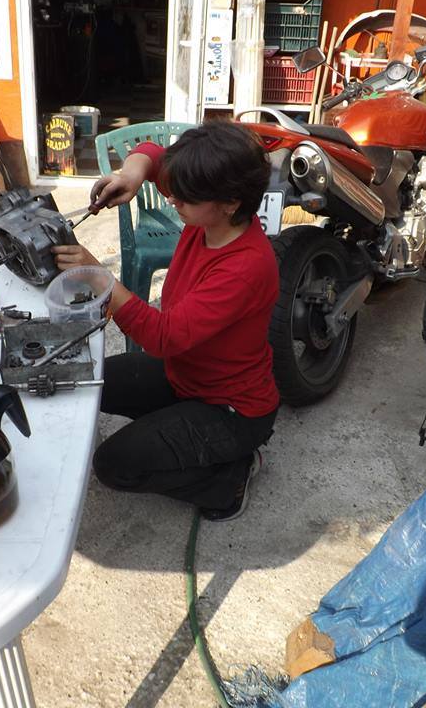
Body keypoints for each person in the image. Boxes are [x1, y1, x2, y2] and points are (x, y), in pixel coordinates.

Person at [52, 121, 279, 521]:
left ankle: (229, 480)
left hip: (231, 410)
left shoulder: (245, 267)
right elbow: (151, 154)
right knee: (91, 380)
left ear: (230, 203)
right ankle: (178, 434)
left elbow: (161, 337)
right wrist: (130, 176)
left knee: (113, 466)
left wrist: (100, 277)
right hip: (185, 375)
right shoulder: (208, 215)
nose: (172, 200)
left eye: (183, 198)